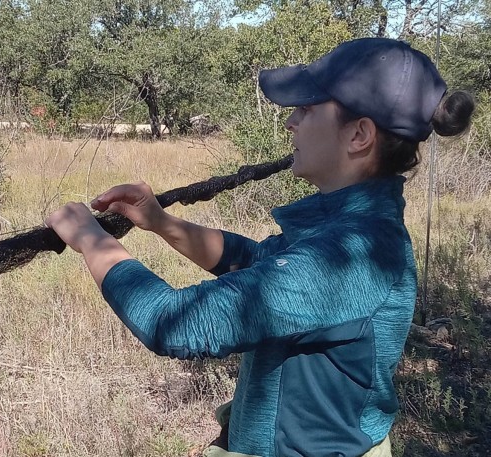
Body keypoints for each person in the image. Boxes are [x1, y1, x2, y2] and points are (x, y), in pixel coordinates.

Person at [45, 38, 474, 457]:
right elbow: (256, 263)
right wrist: (161, 222)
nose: (291, 122)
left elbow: (174, 325)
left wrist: (92, 241)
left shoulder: (355, 254)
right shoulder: (346, 227)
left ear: (359, 135)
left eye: (307, 108)